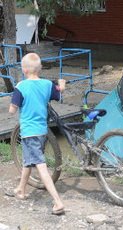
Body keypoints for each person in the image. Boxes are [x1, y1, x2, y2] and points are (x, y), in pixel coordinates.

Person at [8, 53, 65, 215]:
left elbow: (12, 111)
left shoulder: (21, 87)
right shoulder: (47, 84)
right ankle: (21, 189)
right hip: (42, 131)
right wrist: (62, 85)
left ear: (24, 70)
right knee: (28, 160)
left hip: (29, 131)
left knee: (41, 166)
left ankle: (57, 201)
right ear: (39, 69)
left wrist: (14, 106)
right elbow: (59, 94)